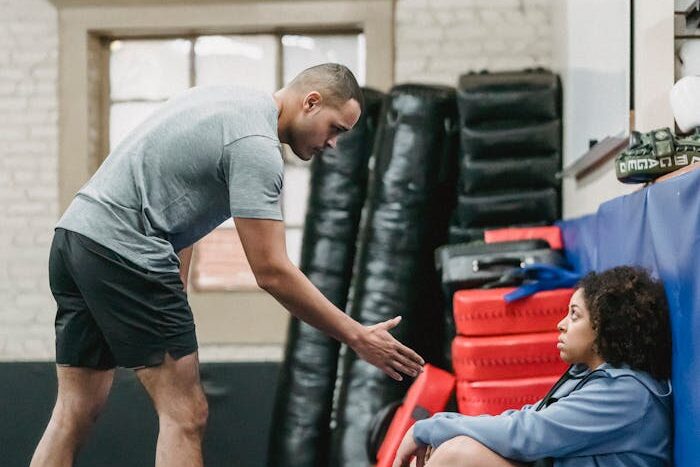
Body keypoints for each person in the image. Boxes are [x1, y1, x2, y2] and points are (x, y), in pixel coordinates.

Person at [31, 63, 425, 467]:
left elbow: (171, 201)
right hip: (124, 251)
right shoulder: (256, 145)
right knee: (186, 413)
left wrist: (173, 294)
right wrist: (357, 336)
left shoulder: (232, 102)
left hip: (74, 239)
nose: (333, 145)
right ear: (311, 102)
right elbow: (271, 271)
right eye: (336, 129)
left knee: (74, 411)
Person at [393, 266, 673, 467]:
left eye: (574, 316)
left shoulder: (626, 394)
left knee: (458, 454)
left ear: (607, 328)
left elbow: (526, 433)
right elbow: (531, 417)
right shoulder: (592, 378)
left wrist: (428, 428)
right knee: (453, 448)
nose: (561, 324)